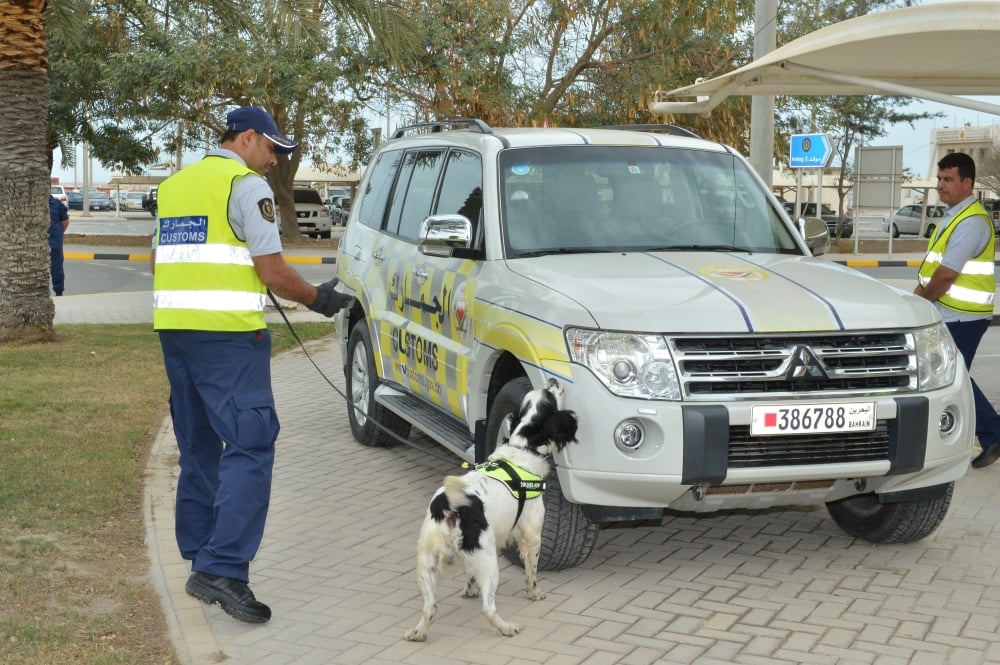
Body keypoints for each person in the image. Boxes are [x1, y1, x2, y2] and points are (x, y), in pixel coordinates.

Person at [151, 106, 352, 623]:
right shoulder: (246, 186)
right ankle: (223, 568)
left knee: (199, 444)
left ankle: (200, 553)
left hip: (176, 335)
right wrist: (318, 300)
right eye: (271, 149)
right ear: (246, 138)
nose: (274, 161)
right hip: (229, 341)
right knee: (251, 442)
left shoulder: (176, 186)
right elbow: (272, 271)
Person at [914, 152, 1000, 468]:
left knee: (951, 376)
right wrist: (916, 299)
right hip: (950, 313)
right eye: (939, 179)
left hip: (963, 316)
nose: (941, 185)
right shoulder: (954, 216)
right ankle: (988, 432)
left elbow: (947, 274)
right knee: (952, 375)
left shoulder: (972, 222)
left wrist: (921, 303)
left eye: (948, 179)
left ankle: (992, 432)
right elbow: (934, 269)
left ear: (967, 183)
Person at [48, 194, 69, 295]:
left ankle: (58, 291)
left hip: (55, 241)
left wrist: (59, 233)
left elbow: (65, 221)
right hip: (38, 242)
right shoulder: (35, 204)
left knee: (57, 267)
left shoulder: (57, 204)